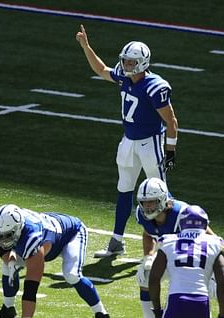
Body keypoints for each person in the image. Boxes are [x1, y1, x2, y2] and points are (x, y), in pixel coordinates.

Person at [76, 25, 179, 258]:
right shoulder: (124, 77)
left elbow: (171, 121)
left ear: (142, 62)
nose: (126, 66)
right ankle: (116, 242)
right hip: (129, 141)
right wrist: (86, 46)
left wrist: (170, 150)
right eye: (125, 61)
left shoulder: (155, 87)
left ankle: (170, 242)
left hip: (150, 143)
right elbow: (101, 69)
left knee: (162, 195)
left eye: (131, 62)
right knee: (124, 189)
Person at [135, 178, 224, 318]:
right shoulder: (142, 214)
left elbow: (219, 244)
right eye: (144, 202)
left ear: (162, 200)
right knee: (145, 276)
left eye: (151, 202)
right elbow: (148, 233)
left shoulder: (184, 214)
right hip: (171, 257)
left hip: (195, 260)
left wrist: (212, 273)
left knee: (215, 289)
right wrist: (148, 256)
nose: (147, 207)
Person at [0, 204, 110, 318]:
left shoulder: (33, 239)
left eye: (8, 235)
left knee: (72, 275)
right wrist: (11, 262)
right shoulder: (7, 227)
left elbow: (31, 290)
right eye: (0, 236)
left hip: (70, 234)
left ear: (18, 227)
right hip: (47, 232)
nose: (3, 240)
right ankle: (8, 309)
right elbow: (4, 250)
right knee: (9, 266)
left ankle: (101, 313)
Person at [149, 205, 224, 318]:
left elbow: (154, 279)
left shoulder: (168, 240)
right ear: (205, 224)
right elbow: (223, 282)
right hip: (201, 302)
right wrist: (222, 314)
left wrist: (157, 309)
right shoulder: (215, 243)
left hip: (176, 300)